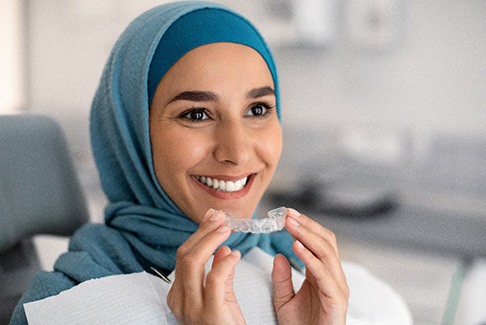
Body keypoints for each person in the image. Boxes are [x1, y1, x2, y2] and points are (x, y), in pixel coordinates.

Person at [11, 2, 411, 324]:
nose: (237, 152)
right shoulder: (66, 306)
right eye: (197, 114)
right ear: (131, 134)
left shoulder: (326, 290)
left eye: (257, 108)